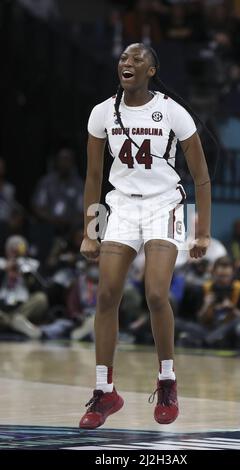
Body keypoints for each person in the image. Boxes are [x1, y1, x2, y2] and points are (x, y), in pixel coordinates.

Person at [79, 43, 211, 429]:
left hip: (163, 205)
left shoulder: (172, 111)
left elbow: (201, 176)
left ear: (152, 70)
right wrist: (91, 232)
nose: (127, 62)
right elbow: (92, 177)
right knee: (106, 295)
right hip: (121, 205)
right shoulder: (103, 112)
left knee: (156, 293)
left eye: (137, 59)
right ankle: (105, 392)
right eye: (122, 58)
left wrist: (202, 232)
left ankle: (167, 381)